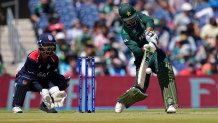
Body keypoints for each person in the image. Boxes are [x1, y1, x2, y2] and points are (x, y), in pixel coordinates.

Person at [115, 3, 178, 113]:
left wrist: (149, 30)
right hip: (141, 57)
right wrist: (145, 49)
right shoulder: (124, 33)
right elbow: (135, 50)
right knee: (140, 88)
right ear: (123, 20)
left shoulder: (139, 16)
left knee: (165, 72)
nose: (132, 21)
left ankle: (170, 104)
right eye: (128, 20)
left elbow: (149, 20)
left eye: (133, 18)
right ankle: (123, 102)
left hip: (155, 53)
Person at [12, 33, 69, 113]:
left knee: (62, 81)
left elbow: (51, 77)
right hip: (29, 81)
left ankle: (45, 106)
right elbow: (32, 78)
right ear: (40, 45)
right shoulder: (32, 57)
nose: (49, 48)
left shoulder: (54, 58)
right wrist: (42, 90)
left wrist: (54, 90)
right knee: (25, 80)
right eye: (46, 45)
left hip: (43, 80)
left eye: (51, 45)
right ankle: (16, 106)